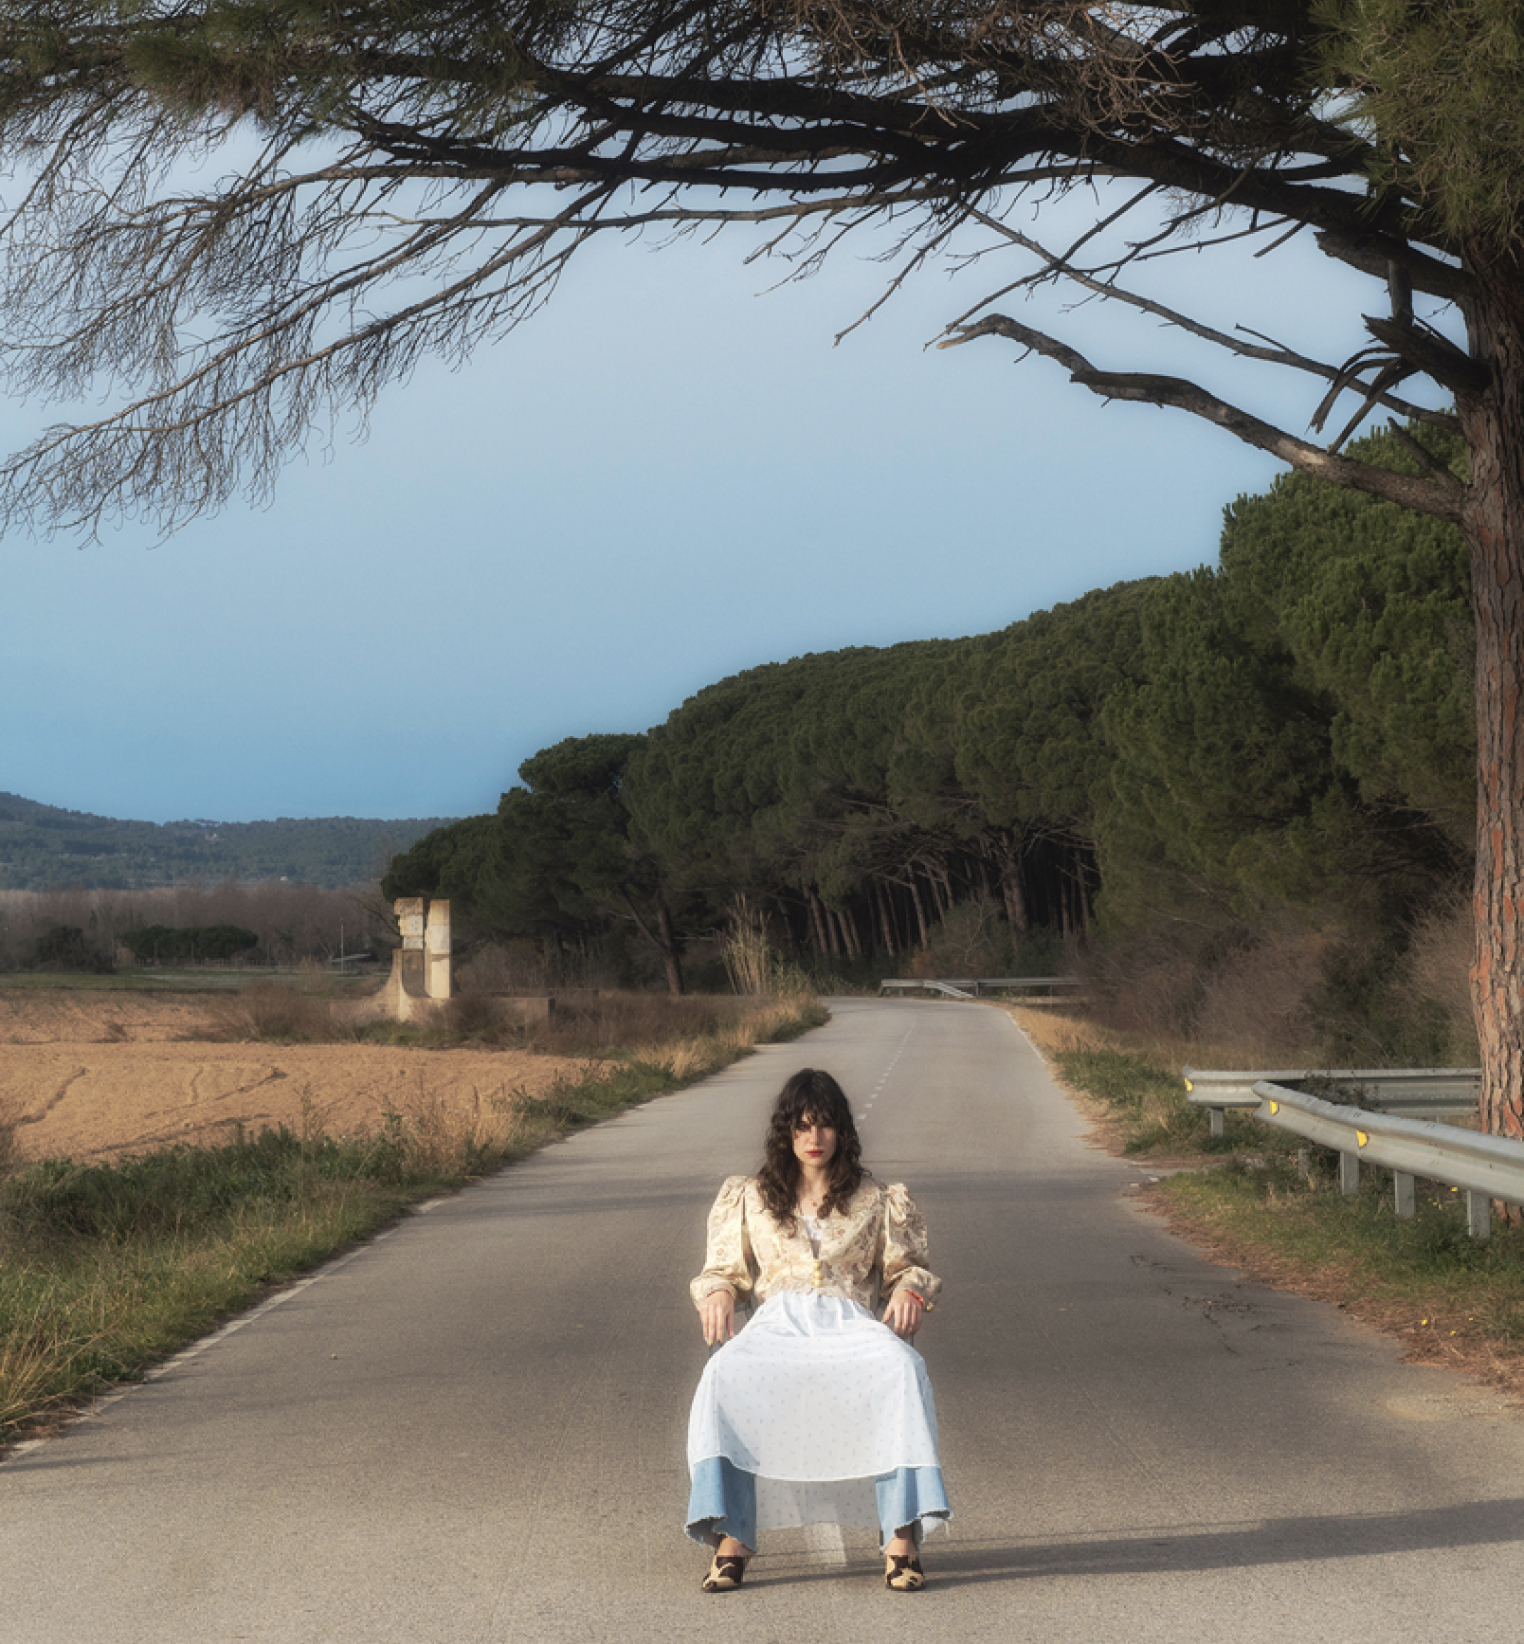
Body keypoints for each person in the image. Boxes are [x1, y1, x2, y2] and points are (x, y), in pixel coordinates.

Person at [686, 1067, 951, 1593]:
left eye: (825, 1126)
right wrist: (716, 1290)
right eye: (803, 1126)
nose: (814, 1139)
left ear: (842, 1132)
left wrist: (908, 1290)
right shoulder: (751, 1196)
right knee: (722, 1376)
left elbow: (909, 1266)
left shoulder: (877, 1199)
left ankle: (901, 1537)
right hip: (776, 1325)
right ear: (786, 1131)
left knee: (903, 1368)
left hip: (850, 1322)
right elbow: (723, 1269)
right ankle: (731, 1536)